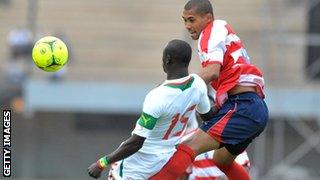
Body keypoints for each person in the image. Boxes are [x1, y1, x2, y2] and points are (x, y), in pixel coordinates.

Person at [150, 1, 268, 180]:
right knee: (221, 160)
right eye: (184, 21)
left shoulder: (211, 31)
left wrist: (176, 87)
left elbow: (212, 72)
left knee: (188, 145)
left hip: (242, 106)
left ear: (208, 18)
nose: (188, 26)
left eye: (191, 20)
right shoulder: (219, 30)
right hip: (249, 106)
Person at [87, 39, 214, 179]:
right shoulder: (199, 85)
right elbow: (207, 116)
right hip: (165, 161)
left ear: (167, 60)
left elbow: (136, 143)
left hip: (136, 167)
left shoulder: (157, 96)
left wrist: (102, 163)